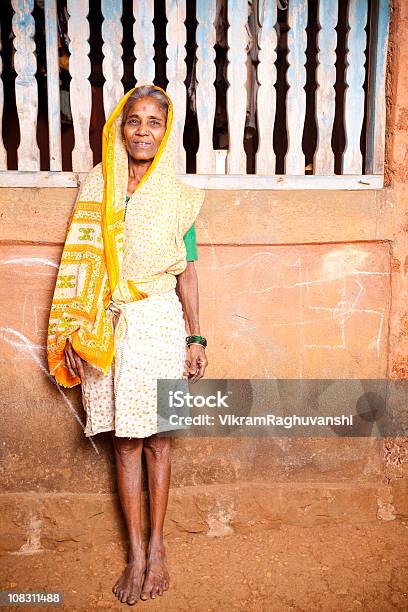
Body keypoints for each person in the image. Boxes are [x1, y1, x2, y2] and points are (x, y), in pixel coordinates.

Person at [47, 84, 208, 605]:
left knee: (158, 439)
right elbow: (81, 262)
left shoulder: (178, 195)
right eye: (134, 120)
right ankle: (135, 553)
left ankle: (159, 546)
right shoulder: (98, 185)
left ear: (167, 131)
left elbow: (187, 274)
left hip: (159, 320)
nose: (143, 130)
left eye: (154, 122)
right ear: (120, 127)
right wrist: (73, 327)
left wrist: (195, 336)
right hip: (107, 324)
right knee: (124, 443)